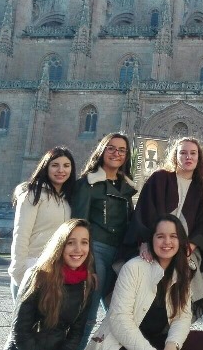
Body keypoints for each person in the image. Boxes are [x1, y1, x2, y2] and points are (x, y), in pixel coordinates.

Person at [88, 215, 203, 350]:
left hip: (157, 340)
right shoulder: (133, 268)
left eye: (173, 236)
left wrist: (172, 344)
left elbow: (182, 317)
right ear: (151, 240)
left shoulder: (181, 271)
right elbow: (119, 319)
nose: (167, 241)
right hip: (123, 343)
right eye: (160, 236)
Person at [125, 136, 203, 318]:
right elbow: (144, 210)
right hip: (155, 245)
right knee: (144, 296)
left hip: (184, 247)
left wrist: (191, 245)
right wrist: (145, 242)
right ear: (175, 156)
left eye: (193, 153)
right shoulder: (159, 178)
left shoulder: (202, 187)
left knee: (180, 293)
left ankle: (174, 325)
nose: (188, 157)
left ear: (198, 158)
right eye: (183, 153)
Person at [71, 133, 138, 348]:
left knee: (119, 315)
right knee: (88, 314)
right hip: (95, 252)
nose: (116, 153)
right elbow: (77, 225)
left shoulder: (126, 187)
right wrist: (86, 261)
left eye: (122, 150)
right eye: (111, 148)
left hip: (119, 256)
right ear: (102, 151)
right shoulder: (87, 184)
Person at [5, 218, 97, 350]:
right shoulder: (38, 276)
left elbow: (76, 334)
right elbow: (20, 331)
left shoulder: (86, 283)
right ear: (60, 245)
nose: (78, 249)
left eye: (84, 242)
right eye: (70, 243)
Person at [9, 147, 77, 300]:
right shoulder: (33, 194)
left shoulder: (68, 199)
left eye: (66, 166)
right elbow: (21, 233)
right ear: (46, 167)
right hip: (32, 266)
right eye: (55, 165)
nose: (61, 170)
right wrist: (19, 271)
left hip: (57, 270)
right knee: (26, 316)